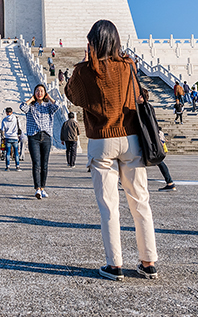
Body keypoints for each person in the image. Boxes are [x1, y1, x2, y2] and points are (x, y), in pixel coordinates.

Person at [65, 19, 159, 281]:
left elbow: (71, 94)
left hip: (102, 141)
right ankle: (148, 261)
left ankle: (114, 265)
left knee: (109, 206)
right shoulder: (128, 66)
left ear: (92, 43)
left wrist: (85, 63)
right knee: (140, 202)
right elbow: (140, 94)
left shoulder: (85, 71)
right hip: (131, 140)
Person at [20, 84, 58, 200]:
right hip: (34, 136)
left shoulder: (48, 106)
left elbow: (57, 106)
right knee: (36, 163)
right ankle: (37, 188)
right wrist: (31, 99)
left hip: (46, 136)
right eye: (37, 91)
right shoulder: (31, 107)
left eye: (41, 91)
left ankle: (42, 187)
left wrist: (49, 97)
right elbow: (22, 107)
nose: (39, 93)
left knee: (44, 164)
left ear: (45, 93)